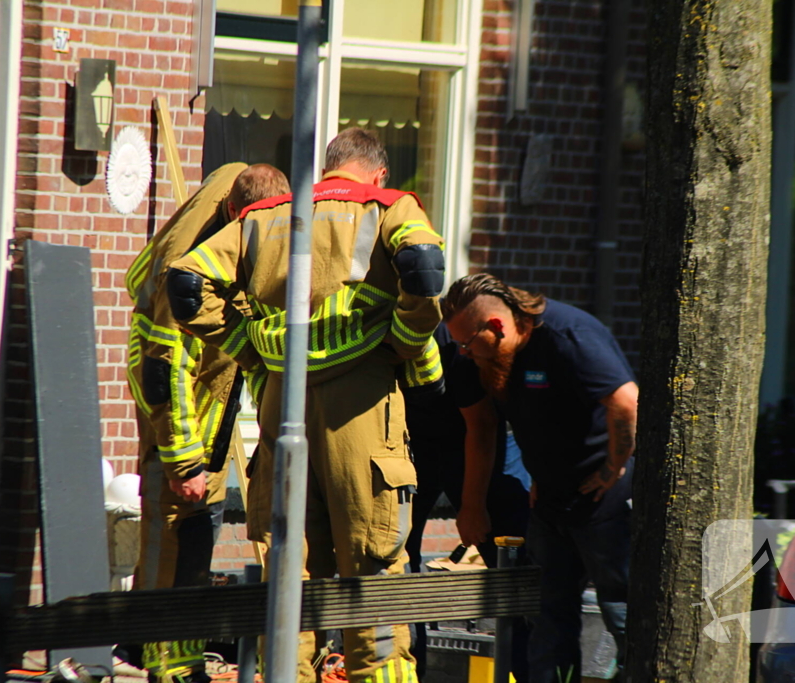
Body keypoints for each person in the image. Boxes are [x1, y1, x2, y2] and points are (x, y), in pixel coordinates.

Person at [166, 128, 444, 683]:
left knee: (289, 574)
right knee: (372, 568)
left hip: (280, 402)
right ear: (378, 173)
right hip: (361, 408)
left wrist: (248, 346)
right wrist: (402, 339)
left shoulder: (266, 215)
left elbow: (187, 284)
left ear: (329, 166)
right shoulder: (392, 207)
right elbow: (424, 267)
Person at [125, 162, 290, 683]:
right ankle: (164, 661)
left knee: (202, 526)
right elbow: (163, 370)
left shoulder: (237, 180)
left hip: (205, 383)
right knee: (178, 524)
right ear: (237, 217)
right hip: (175, 391)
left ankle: (172, 649)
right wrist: (183, 460)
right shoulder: (188, 273)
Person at [440, 273, 638, 683]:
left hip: (605, 503)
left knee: (623, 612)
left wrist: (612, 468)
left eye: (466, 343)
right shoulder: (496, 359)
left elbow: (626, 400)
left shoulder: (569, 336)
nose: (462, 353)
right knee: (547, 616)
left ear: (496, 327)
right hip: (549, 503)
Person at [403, 323, 531, 681]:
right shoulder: (375, 333)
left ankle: (533, 672)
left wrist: (473, 506)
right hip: (412, 446)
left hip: (478, 440)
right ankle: (412, 670)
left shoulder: (457, 350)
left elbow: (482, 427)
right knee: (394, 557)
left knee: (512, 560)